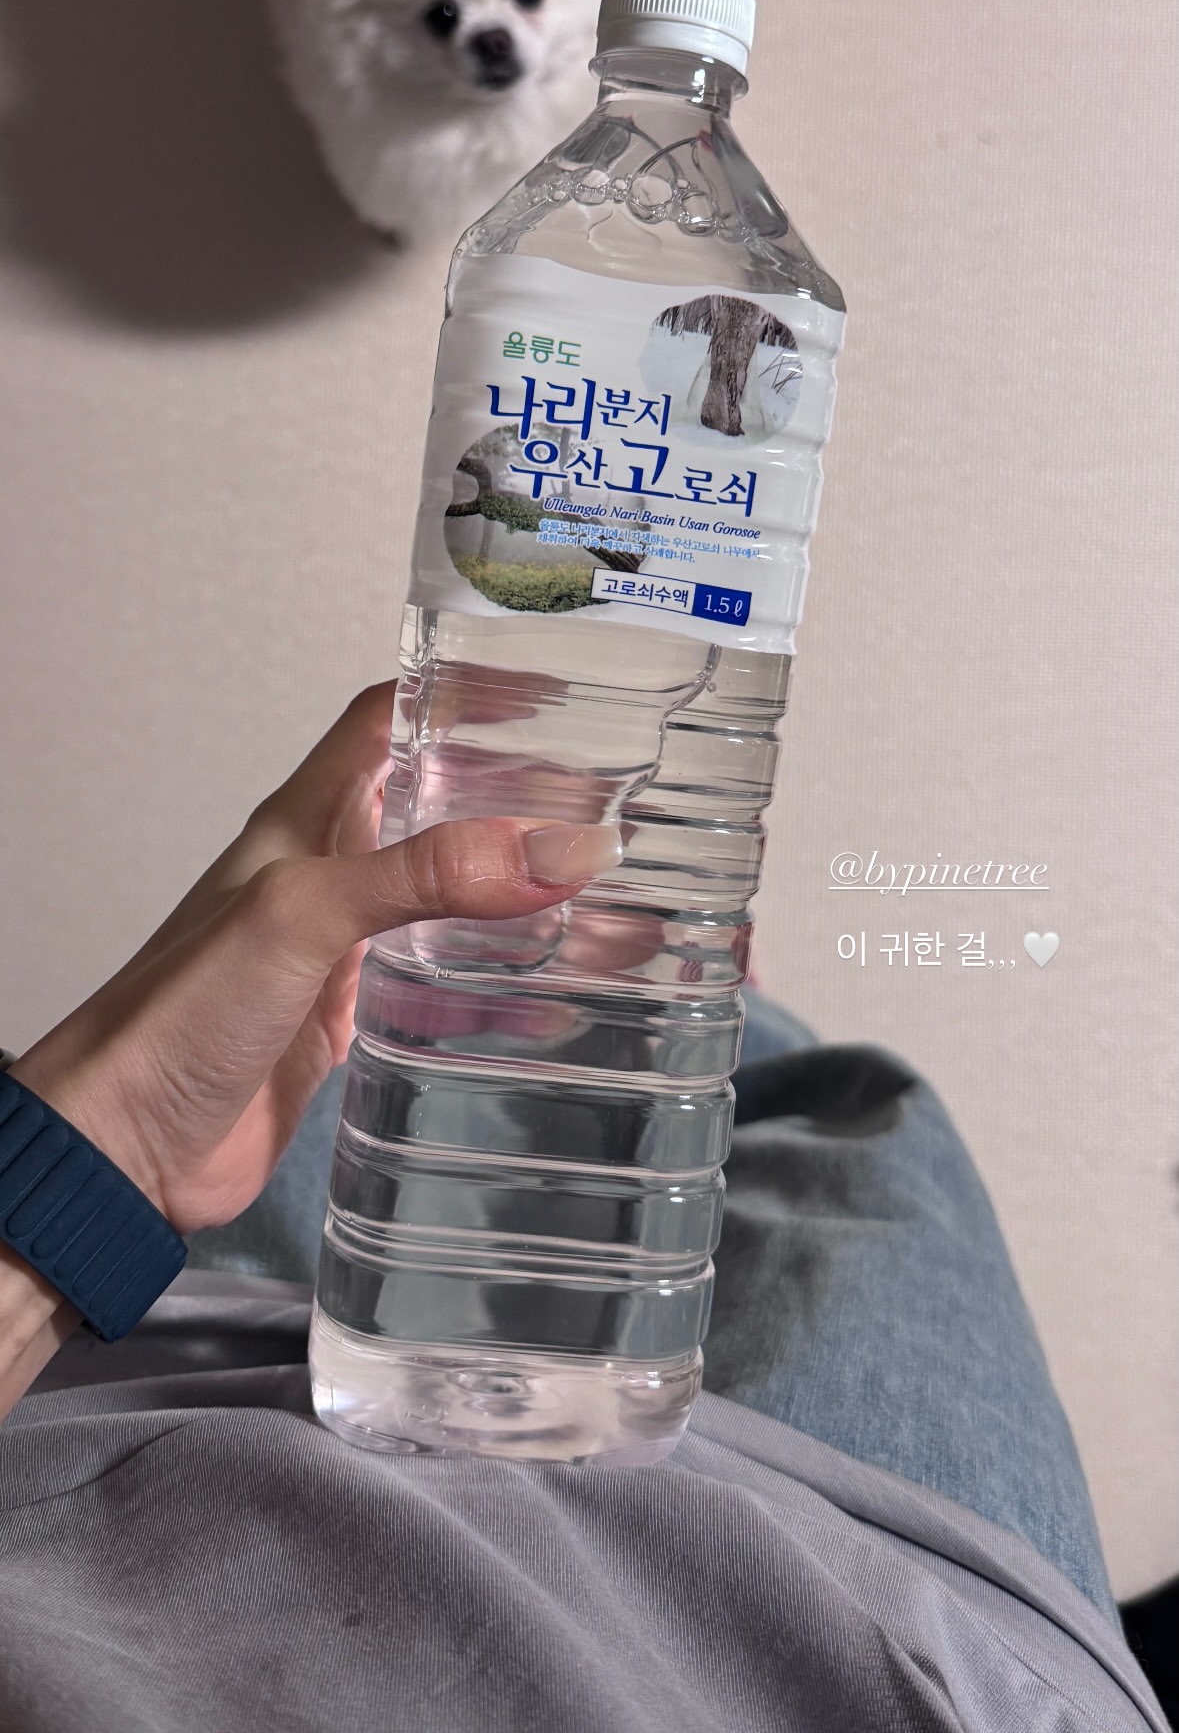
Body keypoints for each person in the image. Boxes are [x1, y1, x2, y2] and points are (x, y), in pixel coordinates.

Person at [0, 686, 1166, 1732]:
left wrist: (119, 1148)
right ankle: (676, 976)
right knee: (838, 1106)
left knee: (378, 1038)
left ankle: (640, 975)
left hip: (133, 1404)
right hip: (845, 1610)